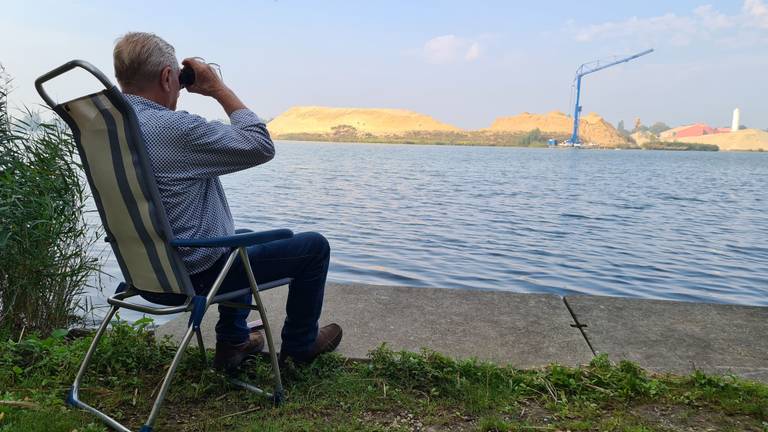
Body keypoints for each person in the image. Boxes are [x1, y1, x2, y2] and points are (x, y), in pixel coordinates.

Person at [112, 32, 342, 371]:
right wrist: (217, 87)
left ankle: (233, 343)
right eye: (176, 77)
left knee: (240, 234)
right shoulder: (174, 129)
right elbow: (259, 144)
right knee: (313, 248)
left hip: (146, 274)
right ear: (166, 77)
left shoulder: (108, 127)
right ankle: (301, 345)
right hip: (192, 277)